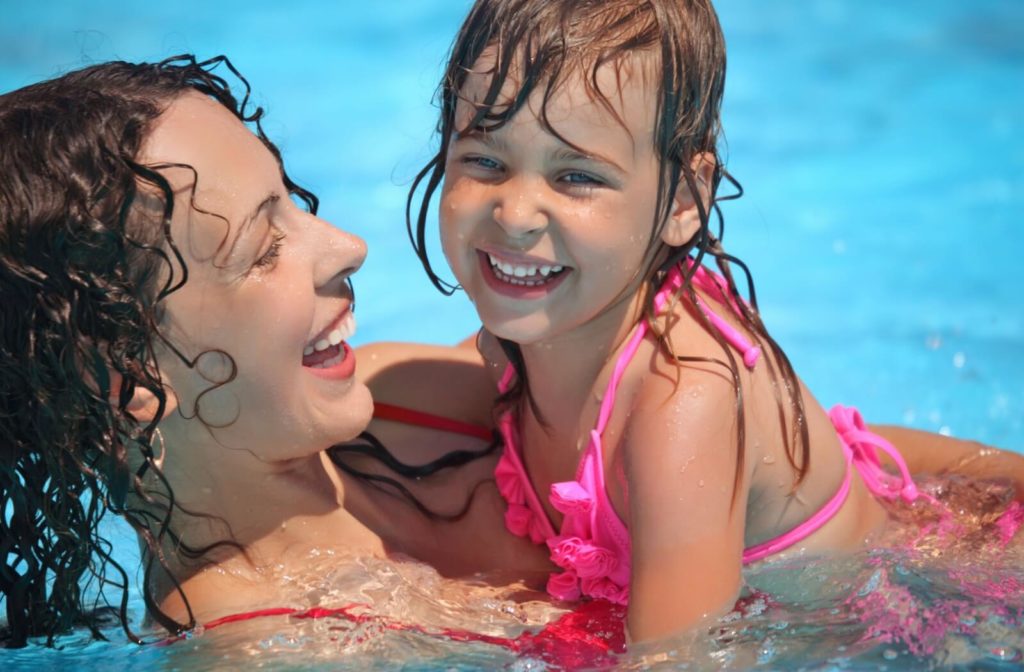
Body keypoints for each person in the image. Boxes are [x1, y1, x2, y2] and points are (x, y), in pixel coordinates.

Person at [404, 0, 1024, 642]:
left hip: (931, 603)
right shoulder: (521, 338)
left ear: (681, 200)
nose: (516, 213)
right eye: (484, 160)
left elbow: (681, 658)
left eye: (576, 177)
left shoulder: (680, 402)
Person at [0, 54, 554, 650]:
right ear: (128, 372)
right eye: (263, 248)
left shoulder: (394, 395)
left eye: (291, 197)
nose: (349, 246)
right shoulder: (274, 653)